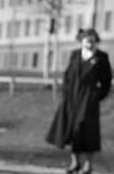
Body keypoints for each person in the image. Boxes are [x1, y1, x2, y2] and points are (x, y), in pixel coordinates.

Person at [46, 28, 112, 174]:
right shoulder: (75, 55)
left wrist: (96, 96)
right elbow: (68, 75)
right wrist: (66, 92)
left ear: (96, 41)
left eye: (92, 41)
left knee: (88, 133)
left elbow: (106, 81)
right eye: (87, 40)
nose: (89, 43)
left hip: (88, 101)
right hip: (72, 99)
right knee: (72, 131)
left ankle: (88, 165)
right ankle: (74, 163)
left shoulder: (101, 57)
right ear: (82, 41)